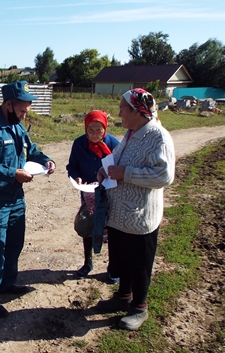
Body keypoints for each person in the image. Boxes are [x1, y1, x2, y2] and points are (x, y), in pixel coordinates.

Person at [0, 80, 56, 318]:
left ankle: (6, 284)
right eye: (21, 109)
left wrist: (47, 161)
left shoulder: (17, 126)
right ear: (8, 104)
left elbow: (32, 150)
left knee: (15, 243)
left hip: (16, 196)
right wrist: (13, 174)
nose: (25, 113)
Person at [95, 88, 175, 331]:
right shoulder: (130, 133)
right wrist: (105, 170)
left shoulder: (158, 137)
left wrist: (125, 174)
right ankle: (123, 297)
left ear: (137, 111)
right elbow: (117, 161)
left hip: (140, 218)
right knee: (122, 259)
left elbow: (164, 175)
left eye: (122, 108)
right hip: (121, 216)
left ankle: (139, 308)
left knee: (139, 264)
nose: (118, 112)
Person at [66, 110, 120, 281]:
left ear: (106, 129)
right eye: (91, 130)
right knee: (88, 225)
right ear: (85, 128)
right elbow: (72, 166)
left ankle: (113, 267)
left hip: (111, 192)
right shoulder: (79, 144)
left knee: (112, 228)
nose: (95, 134)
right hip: (89, 192)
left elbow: (121, 166)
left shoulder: (114, 145)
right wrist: (77, 177)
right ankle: (88, 263)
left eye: (99, 130)